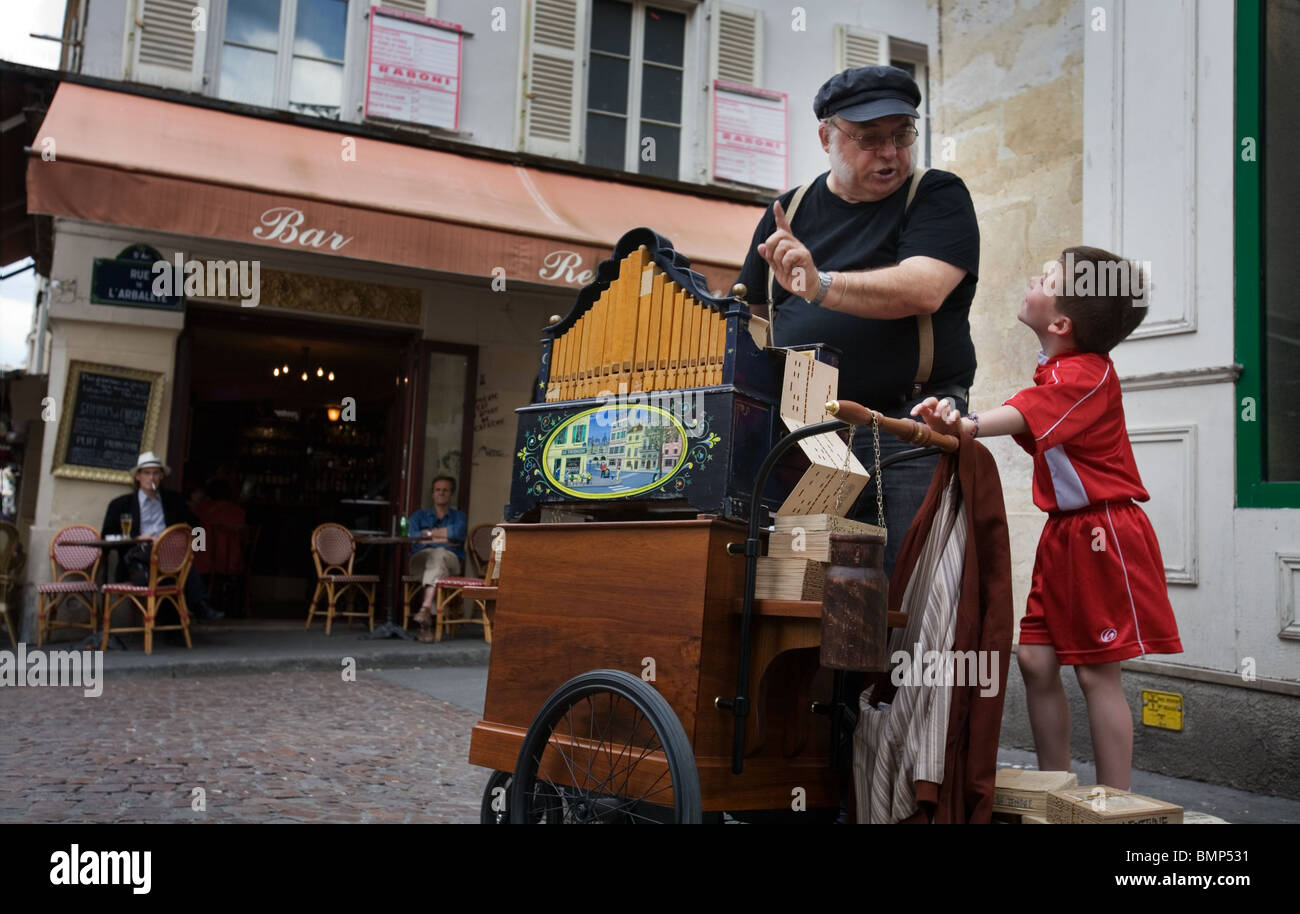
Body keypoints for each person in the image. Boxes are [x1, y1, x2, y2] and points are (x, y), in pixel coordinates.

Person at [911, 245, 1183, 790]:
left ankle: (1113, 800)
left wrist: (965, 422)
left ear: (1060, 321)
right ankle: (1054, 787)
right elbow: (1034, 415)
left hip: (1105, 531)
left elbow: (1026, 414)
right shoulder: (1056, 370)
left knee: (1096, 670)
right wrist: (963, 422)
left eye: (1046, 278)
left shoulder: (1086, 374)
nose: (1032, 278)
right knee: (1036, 659)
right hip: (1066, 533)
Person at [736, 65, 980, 576]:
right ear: (826, 136)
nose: (890, 152)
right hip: (804, 431)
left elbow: (923, 289)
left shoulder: (937, 195)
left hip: (906, 425)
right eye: (869, 138)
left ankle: (894, 660)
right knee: (796, 584)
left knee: (895, 590)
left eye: (902, 134)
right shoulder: (788, 209)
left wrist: (820, 285)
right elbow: (753, 317)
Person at [101, 452, 224, 621]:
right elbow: (106, 536)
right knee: (172, 573)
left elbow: (196, 525)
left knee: (179, 565)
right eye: (147, 473)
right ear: (138, 476)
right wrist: (135, 539)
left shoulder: (173, 501)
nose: (152, 477)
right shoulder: (121, 504)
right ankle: (197, 607)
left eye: (156, 473)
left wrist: (196, 548)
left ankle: (194, 609)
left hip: (168, 556)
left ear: (161, 477)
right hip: (138, 559)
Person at [408, 475, 468, 641]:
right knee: (437, 568)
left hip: (451, 561)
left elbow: (458, 534)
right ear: (432, 493)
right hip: (421, 560)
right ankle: (426, 613)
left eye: (445, 490)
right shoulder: (418, 516)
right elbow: (412, 536)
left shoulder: (460, 517)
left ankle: (425, 615)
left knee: (439, 555)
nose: (441, 493)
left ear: (451, 494)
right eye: (437, 490)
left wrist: (427, 536)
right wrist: (445, 538)